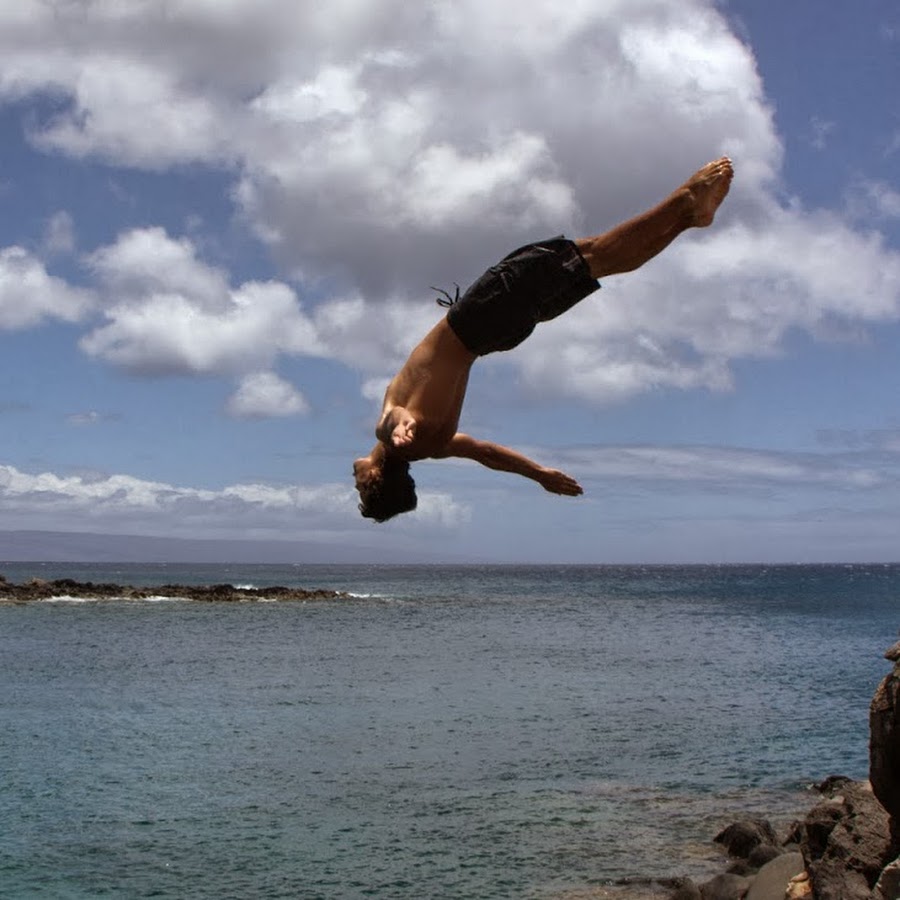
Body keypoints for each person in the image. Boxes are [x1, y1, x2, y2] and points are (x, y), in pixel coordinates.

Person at [354, 157, 734, 522]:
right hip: (477, 318)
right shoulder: (393, 435)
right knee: (591, 254)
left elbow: (487, 454)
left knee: (596, 265)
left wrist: (540, 475)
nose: (353, 480)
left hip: (496, 337)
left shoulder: (433, 449)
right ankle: (686, 198)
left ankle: (687, 219)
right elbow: (396, 420)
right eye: (359, 488)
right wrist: (400, 424)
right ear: (374, 478)